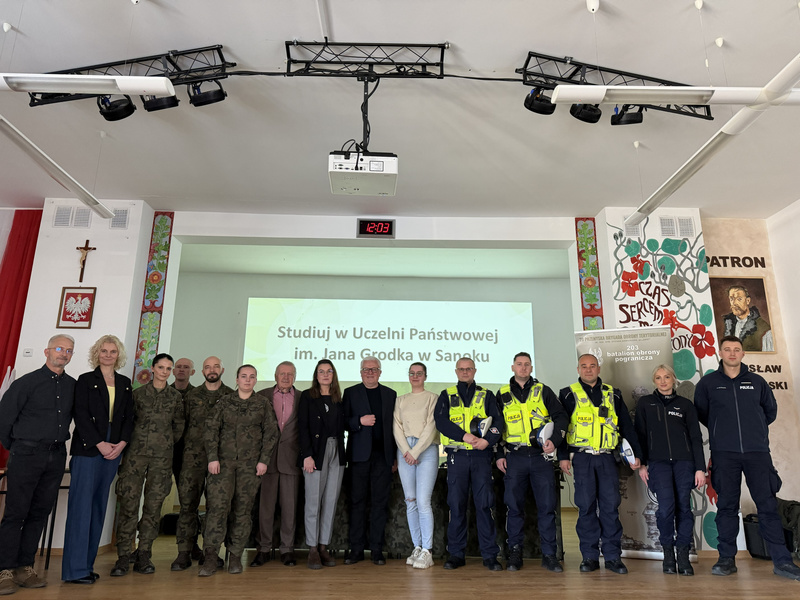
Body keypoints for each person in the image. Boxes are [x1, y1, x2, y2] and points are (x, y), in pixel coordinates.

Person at [694, 336, 800, 581]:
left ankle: (782, 561)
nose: (732, 353)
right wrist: (723, 432)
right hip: (724, 454)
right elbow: (703, 414)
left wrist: (755, 431)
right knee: (727, 507)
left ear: (743, 354)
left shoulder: (757, 382)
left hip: (757, 453)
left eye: (737, 349)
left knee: (768, 506)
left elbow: (769, 412)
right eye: (727, 349)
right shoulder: (708, 384)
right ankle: (726, 559)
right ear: (720, 353)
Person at [0, 335, 75, 595]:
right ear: (47, 351)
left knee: (39, 512)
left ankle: (25, 567)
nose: (63, 353)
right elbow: (4, 420)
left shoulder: (73, 386)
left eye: (69, 350)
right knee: (15, 513)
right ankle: (4, 570)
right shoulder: (25, 383)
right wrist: (19, 447)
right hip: (26, 455)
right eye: (59, 348)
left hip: (56, 456)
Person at [558, 353, 641, 575]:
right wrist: (563, 456)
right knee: (586, 507)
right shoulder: (567, 394)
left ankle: (613, 557)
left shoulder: (613, 394)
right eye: (584, 366)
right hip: (582, 458)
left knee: (610, 507)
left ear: (599, 368)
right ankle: (589, 556)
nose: (588, 369)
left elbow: (626, 426)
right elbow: (562, 427)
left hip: (607, 458)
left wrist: (635, 455)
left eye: (592, 365)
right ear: (578, 369)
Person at [62, 335, 135, 585]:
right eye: (104, 351)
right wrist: (99, 443)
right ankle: (74, 570)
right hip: (89, 449)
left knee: (98, 507)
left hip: (114, 449)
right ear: (97, 353)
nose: (108, 355)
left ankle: (86, 566)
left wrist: (122, 444)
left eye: (113, 351)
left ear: (118, 355)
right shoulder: (85, 380)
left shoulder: (125, 383)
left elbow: (129, 417)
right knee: (81, 508)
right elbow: (80, 415)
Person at [199, 364, 279, 577]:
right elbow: (211, 430)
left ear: (256, 380)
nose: (247, 380)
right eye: (244, 376)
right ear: (236, 379)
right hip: (222, 466)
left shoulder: (262, 404)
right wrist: (212, 457)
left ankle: (235, 556)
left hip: (250, 467)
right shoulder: (224, 402)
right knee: (217, 510)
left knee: (242, 512)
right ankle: (211, 557)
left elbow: (271, 434)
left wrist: (263, 461)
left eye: (252, 376)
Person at [111, 353, 184, 577]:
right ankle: (124, 555)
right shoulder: (137, 394)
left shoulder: (175, 397)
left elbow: (178, 427)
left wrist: (163, 443)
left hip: (162, 459)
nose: (164, 372)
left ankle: (144, 554)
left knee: (153, 507)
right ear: (152, 369)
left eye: (168, 369)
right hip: (135, 456)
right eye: (161, 367)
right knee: (129, 504)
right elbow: (127, 422)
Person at [496, 352, 568, 573]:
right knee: (514, 508)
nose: (523, 368)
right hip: (515, 457)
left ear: (531, 367)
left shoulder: (543, 390)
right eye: (519, 364)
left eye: (527, 364)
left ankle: (550, 555)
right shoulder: (502, 394)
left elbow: (561, 417)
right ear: (513, 367)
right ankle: (514, 553)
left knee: (547, 508)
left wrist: (554, 441)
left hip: (540, 458)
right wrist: (499, 454)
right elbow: (496, 427)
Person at [634, 364, 705, 576]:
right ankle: (668, 554)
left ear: (674, 379)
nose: (663, 381)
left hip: (684, 463)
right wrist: (642, 464)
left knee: (684, 508)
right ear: (654, 381)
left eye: (667, 377)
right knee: (665, 509)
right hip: (658, 464)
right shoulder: (645, 404)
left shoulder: (685, 405)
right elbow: (640, 435)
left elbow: (695, 437)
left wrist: (700, 469)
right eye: (658, 377)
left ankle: (683, 555)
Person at [434, 357, 503, 571]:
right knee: (456, 506)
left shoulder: (487, 395)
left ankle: (490, 555)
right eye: (461, 369)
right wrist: (464, 436)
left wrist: (487, 441)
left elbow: (498, 423)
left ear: (475, 370)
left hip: (481, 456)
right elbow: (441, 422)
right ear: (456, 372)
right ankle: (456, 554)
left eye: (469, 369)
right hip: (457, 457)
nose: (465, 372)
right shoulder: (446, 395)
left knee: (484, 505)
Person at [170, 356, 232, 571]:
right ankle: (184, 552)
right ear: (203, 371)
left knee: (216, 508)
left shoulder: (230, 396)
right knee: (188, 506)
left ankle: (211, 553)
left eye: (216, 366)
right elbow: (180, 427)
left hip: (220, 461)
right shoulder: (192, 396)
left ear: (222, 369)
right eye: (208, 367)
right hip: (192, 460)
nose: (212, 370)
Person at [343, 356, 398, 566]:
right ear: (360, 372)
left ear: (380, 372)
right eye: (366, 369)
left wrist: (394, 456)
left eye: (374, 369)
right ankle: (356, 550)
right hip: (358, 458)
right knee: (357, 503)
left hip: (383, 458)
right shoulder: (350, 393)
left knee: (380, 504)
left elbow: (395, 429)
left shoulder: (390, 394)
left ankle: (376, 550)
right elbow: (343, 422)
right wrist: (359, 421)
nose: (370, 372)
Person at [251, 361, 301, 568]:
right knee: (265, 509)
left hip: (291, 461)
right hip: (266, 461)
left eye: (290, 374)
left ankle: (287, 550)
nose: (286, 377)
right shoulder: (261, 396)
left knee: (290, 509)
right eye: (282, 373)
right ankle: (263, 549)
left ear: (295, 377)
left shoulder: (303, 398)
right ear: (275, 376)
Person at [298, 359, 346, 570]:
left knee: (330, 501)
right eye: (321, 371)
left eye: (329, 371)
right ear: (316, 376)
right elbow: (302, 427)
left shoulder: (339, 398)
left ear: (333, 375)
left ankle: (323, 546)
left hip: (337, 453)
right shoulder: (307, 397)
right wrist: (307, 455)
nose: (325, 374)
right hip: (315, 454)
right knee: (313, 502)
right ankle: (312, 549)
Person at [392, 362, 439, 570]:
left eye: (419, 373)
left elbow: (431, 427)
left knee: (423, 501)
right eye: (412, 373)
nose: (415, 376)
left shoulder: (432, 398)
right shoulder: (400, 400)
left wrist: (415, 451)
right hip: (405, 451)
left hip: (426, 450)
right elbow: (397, 427)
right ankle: (417, 547)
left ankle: (428, 550)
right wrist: (406, 451)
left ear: (425, 376)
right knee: (410, 500)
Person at [170, 358, 195, 497]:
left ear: (192, 372)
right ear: (173, 371)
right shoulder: (165, 393)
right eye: (179, 366)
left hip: (188, 448)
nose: (181, 369)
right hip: (166, 446)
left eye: (186, 367)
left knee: (186, 490)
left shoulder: (197, 395)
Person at [722, 285, 773, 352]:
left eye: (739, 299)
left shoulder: (764, 329)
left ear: (747, 301)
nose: (734, 303)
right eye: (731, 299)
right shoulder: (727, 325)